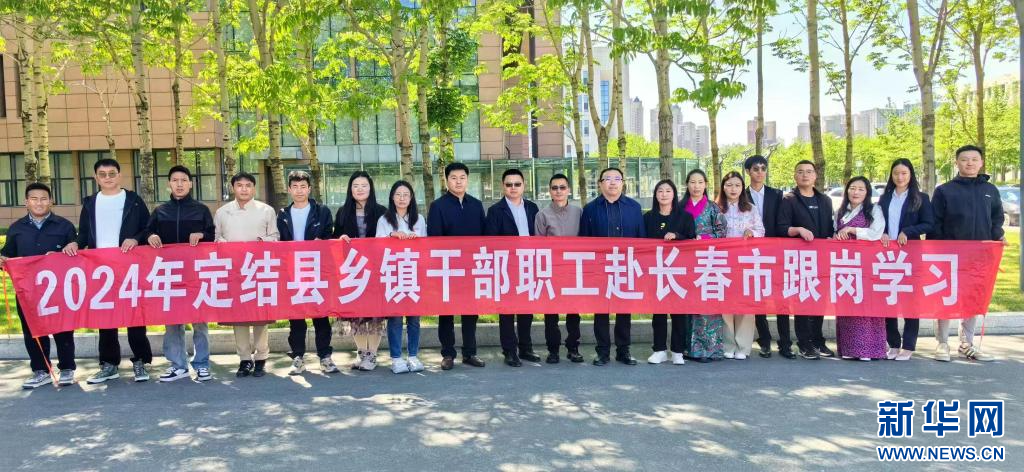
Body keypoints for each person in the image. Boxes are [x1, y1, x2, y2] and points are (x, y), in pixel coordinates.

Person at [62, 158, 153, 383]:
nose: (108, 178)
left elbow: (148, 228)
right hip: (100, 269)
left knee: (134, 316)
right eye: (102, 174)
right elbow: (84, 234)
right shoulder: (91, 203)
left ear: (119, 175)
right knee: (105, 317)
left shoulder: (133, 200)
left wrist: (135, 239)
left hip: (130, 267)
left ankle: (140, 361)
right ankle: (109, 364)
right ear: (96, 178)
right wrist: (75, 243)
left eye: (112, 173)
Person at [929, 145, 1006, 362]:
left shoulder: (990, 190)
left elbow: (997, 219)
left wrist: (997, 237)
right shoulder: (944, 191)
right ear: (957, 163)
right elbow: (935, 223)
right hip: (949, 257)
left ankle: (967, 344)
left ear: (981, 163)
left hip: (980, 256)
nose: (969, 163)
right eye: (964, 159)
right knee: (946, 297)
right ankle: (942, 343)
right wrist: (938, 249)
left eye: (974, 159)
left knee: (972, 299)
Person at [0, 183, 78, 388]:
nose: (39, 203)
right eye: (34, 199)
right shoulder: (16, 228)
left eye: (44, 198)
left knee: (63, 329)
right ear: (26, 202)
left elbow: (77, 255)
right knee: (32, 330)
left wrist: (65, 253)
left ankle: (67, 368)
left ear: (51, 201)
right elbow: (8, 255)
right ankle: (41, 370)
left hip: (59, 290)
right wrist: (3, 260)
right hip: (28, 291)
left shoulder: (64, 226)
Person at [145, 165, 216, 382]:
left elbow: (212, 235)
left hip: (195, 274)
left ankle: (202, 364)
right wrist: (150, 236)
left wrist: (201, 234)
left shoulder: (201, 210)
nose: (179, 184)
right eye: (175, 180)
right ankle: (178, 365)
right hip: (170, 274)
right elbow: (147, 232)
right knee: (173, 322)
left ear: (191, 184)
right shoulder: (160, 211)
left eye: (183, 180)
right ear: (169, 184)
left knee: (199, 321)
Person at [215, 172, 280, 378]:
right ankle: (244, 359)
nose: (244, 189)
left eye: (248, 185)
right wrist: (223, 245)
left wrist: (261, 242)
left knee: (261, 316)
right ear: (233, 187)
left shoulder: (266, 210)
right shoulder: (223, 212)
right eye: (239, 185)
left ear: (254, 188)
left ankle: (261, 357)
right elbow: (216, 238)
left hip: (259, 269)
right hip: (234, 271)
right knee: (239, 316)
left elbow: (275, 237)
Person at [579, 167, 646, 366]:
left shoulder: (634, 207)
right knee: (601, 310)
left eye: (617, 178)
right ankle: (602, 352)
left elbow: (641, 239)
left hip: (626, 266)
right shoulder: (590, 209)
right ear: (600, 184)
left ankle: (623, 351)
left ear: (623, 183)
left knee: (624, 310)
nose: (613, 182)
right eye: (607, 179)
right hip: (600, 268)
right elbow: (584, 240)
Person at [427, 162, 487, 370]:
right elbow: (434, 239)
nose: (458, 182)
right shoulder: (438, 206)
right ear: (446, 180)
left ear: (467, 180)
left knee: (471, 312)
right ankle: (448, 354)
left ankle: (470, 353)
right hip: (447, 268)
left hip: (472, 268)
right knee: (446, 313)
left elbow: (484, 237)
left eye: (462, 177)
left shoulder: (476, 205)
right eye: (453, 178)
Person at [277, 170, 337, 375]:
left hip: (317, 270)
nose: (299, 190)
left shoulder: (322, 211)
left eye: (303, 186)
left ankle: (325, 357)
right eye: (295, 186)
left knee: (321, 315)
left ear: (309, 189)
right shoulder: (283, 214)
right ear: (289, 189)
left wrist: (322, 242)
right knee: (296, 316)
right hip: (292, 271)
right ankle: (298, 357)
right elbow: (278, 241)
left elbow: (330, 236)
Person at [776, 160, 835, 360]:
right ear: (795, 176)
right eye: (800, 172)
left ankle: (818, 340)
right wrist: (798, 230)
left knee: (819, 301)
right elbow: (781, 228)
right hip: (800, 260)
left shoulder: (825, 200)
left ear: (815, 175)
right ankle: (804, 343)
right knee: (803, 301)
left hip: (822, 258)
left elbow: (830, 228)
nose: (805, 175)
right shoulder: (789, 199)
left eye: (809, 172)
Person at [878, 158, 934, 361]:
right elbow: (878, 222)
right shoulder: (884, 198)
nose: (900, 177)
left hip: (910, 256)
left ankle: (909, 346)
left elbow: (929, 224)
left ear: (911, 175)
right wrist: (882, 232)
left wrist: (908, 231)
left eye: (904, 173)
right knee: (889, 300)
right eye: (896, 173)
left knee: (910, 302)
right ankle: (893, 344)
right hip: (887, 256)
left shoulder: (920, 198)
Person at [486, 169, 542, 367]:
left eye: (517, 184)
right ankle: (509, 351)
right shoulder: (495, 211)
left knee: (527, 310)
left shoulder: (533, 208)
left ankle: (526, 348)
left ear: (524, 185)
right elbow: (491, 241)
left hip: (529, 265)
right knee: (507, 311)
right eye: (509, 184)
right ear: (503, 186)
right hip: (506, 267)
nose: (513, 188)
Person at [335, 171, 388, 371]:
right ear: (350, 189)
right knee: (355, 313)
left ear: (370, 188)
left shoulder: (382, 211)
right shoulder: (343, 212)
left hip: (375, 270)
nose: (360, 189)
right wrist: (340, 239)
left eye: (364, 185)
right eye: (355, 185)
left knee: (374, 314)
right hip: (352, 270)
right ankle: (361, 352)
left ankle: (372, 354)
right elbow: (336, 236)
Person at [833, 177, 888, 361]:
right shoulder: (841, 211)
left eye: (861, 189)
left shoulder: (874, 210)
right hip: (845, 264)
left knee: (867, 305)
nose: (855, 192)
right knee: (847, 304)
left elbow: (876, 233)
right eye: (852, 188)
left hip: (867, 264)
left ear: (867, 192)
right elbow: (834, 232)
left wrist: (853, 230)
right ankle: (849, 349)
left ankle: (868, 350)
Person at [744, 155, 793, 359]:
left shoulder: (777, 194)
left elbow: (782, 222)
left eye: (763, 168)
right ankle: (764, 341)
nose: (760, 172)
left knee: (781, 298)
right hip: (751, 253)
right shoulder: (741, 194)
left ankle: (785, 343)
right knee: (759, 298)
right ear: (748, 171)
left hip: (775, 251)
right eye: (756, 169)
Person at [376, 180, 427, 374]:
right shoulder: (384, 220)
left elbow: (426, 246)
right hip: (393, 274)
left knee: (414, 318)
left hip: (413, 273)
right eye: (398, 194)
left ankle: (413, 356)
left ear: (411, 198)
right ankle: (396, 358)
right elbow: (376, 246)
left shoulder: (419, 219)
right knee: (395, 318)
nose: (402, 198)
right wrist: (392, 235)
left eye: (406, 195)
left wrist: (416, 239)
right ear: (392, 197)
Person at [644, 179, 696, 365]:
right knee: (658, 313)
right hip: (656, 271)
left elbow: (692, 241)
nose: (664, 194)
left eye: (668, 191)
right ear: (655, 195)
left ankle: (677, 351)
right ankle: (659, 350)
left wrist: (677, 236)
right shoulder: (648, 217)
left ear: (674, 194)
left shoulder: (685, 217)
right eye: (660, 191)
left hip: (678, 272)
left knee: (679, 313)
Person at [535, 173, 584, 364]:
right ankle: (553, 350)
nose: (558, 191)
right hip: (551, 271)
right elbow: (538, 246)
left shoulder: (579, 212)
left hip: (574, 270)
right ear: (549, 191)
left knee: (574, 313)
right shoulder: (542, 215)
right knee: (551, 314)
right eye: (554, 188)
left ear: (569, 190)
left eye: (562, 187)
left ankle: (573, 348)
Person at [682, 169, 727, 363]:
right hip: (686, 261)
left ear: (706, 184)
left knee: (707, 304)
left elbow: (722, 231)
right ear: (687, 184)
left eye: (700, 182)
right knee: (688, 304)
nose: (696, 186)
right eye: (692, 182)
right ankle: (688, 349)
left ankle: (711, 349)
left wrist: (704, 238)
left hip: (708, 260)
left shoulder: (713, 208)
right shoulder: (680, 207)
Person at [718, 171, 764, 360]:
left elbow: (761, 230)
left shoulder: (751, 209)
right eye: (729, 185)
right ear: (723, 187)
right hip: (722, 262)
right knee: (725, 304)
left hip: (745, 262)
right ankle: (727, 345)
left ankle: (743, 347)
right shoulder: (716, 208)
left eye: (737, 185)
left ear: (742, 188)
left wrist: (752, 232)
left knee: (744, 303)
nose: (733, 189)